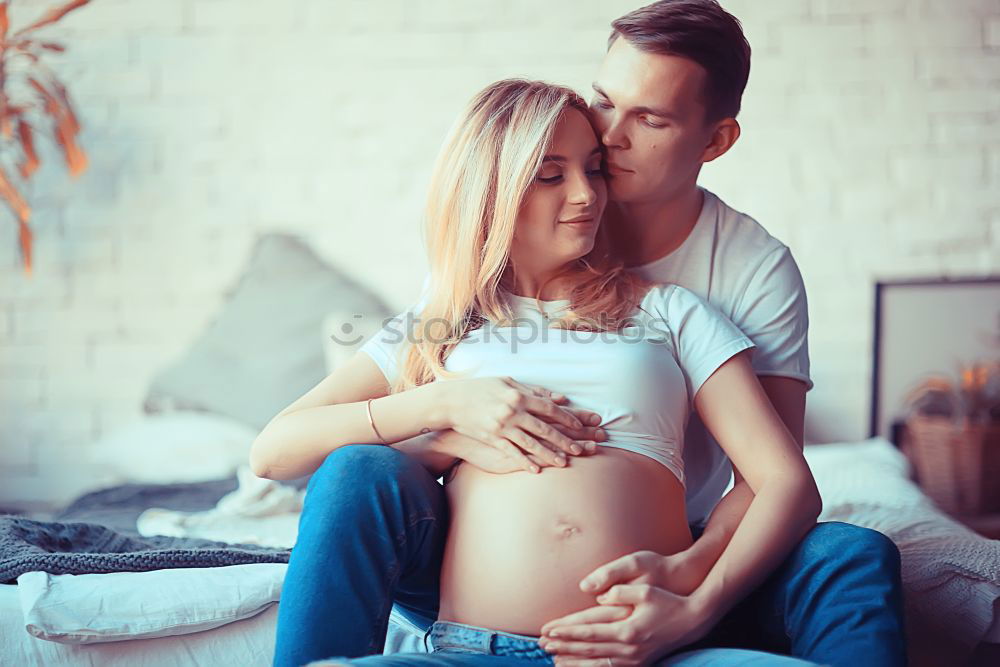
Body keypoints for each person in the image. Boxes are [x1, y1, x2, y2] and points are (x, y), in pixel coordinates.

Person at [263, 1, 907, 665]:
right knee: (355, 468)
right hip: (470, 624)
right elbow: (278, 450)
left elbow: (777, 476)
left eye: (645, 121)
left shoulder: (704, 293)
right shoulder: (457, 310)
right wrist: (448, 417)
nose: (595, 175)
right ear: (498, 194)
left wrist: (692, 598)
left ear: (713, 142)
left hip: (662, 581)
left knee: (851, 553)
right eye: (605, 103)